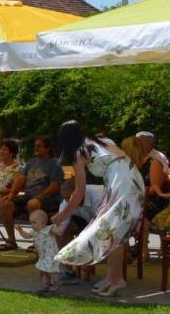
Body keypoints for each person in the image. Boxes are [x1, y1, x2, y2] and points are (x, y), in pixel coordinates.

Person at [53, 120, 145, 297]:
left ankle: (116, 280)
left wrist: (62, 215)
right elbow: (120, 160)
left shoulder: (79, 153)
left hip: (120, 182)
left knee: (111, 232)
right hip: (133, 177)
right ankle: (112, 278)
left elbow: (79, 192)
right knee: (114, 233)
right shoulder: (103, 141)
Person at [17, 136, 63, 219]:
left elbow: (55, 186)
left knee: (32, 203)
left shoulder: (54, 164)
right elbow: (21, 179)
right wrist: (11, 194)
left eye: (39, 146)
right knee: (6, 203)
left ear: (48, 148)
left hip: (48, 197)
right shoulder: (31, 162)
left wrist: (39, 196)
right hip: (28, 195)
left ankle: (35, 226)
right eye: (35, 146)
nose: (35, 148)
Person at [0, 138, 24, 250]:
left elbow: (14, 189)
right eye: (1, 149)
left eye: (5, 149)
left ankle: (11, 239)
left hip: (7, 196)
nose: (1, 151)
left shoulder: (17, 168)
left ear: (12, 152)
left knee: (4, 203)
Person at [24, 209, 62, 294]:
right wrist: (20, 230)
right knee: (43, 270)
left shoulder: (48, 229)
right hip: (43, 255)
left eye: (34, 222)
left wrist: (58, 224)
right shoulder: (34, 232)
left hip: (51, 255)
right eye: (31, 222)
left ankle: (56, 282)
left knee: (51, 270)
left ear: (43, 223)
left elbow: (59, 231)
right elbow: (26, 236)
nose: (32, 225)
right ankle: (45, 284)